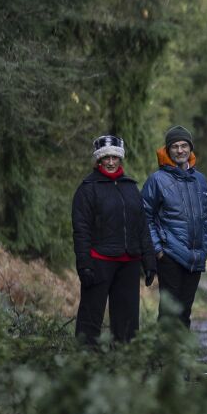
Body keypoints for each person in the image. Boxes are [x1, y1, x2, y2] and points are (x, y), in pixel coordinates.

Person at [72, 133, 156, 347]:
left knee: (127, 321)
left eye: (114, 157)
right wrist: (85, 266)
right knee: (90, 318)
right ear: (99, 160)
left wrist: (149, 261)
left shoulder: (130, 187)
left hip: (129, 263)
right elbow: (81, 231)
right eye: (106, 158)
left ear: (120, 159)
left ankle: (124, 363)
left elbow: (142, 226)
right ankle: (85, 361)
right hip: (99, 261)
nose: (110, 162)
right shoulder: (87, 189)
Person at [142, 124, 207, 327]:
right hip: (170, 256)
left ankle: (180, 357)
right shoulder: (157, 180)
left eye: (184, 145)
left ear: (190, 148)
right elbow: (145, 216)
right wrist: (158, 250)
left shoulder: (200, 180)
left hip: (196, 257)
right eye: (175, 146)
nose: (180, 150)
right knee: (169, 313)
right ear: (168, 150)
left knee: (185, 312)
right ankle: (165, 357)